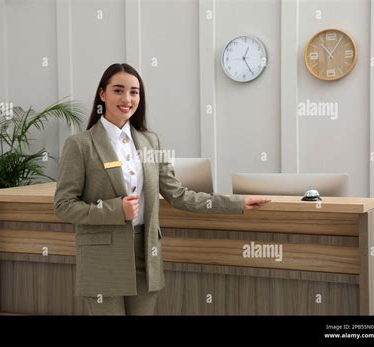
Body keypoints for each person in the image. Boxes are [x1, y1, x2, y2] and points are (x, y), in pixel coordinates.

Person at [54, 63, 271, 315]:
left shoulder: (150, 141)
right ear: (102, 94)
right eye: (118, 90)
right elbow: (64, 206)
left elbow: (178, 195)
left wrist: (237, 203)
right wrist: (115, 210)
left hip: (146, 253)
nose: (127, 99)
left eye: (134, 92)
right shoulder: (80, 145)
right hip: (103, 258)